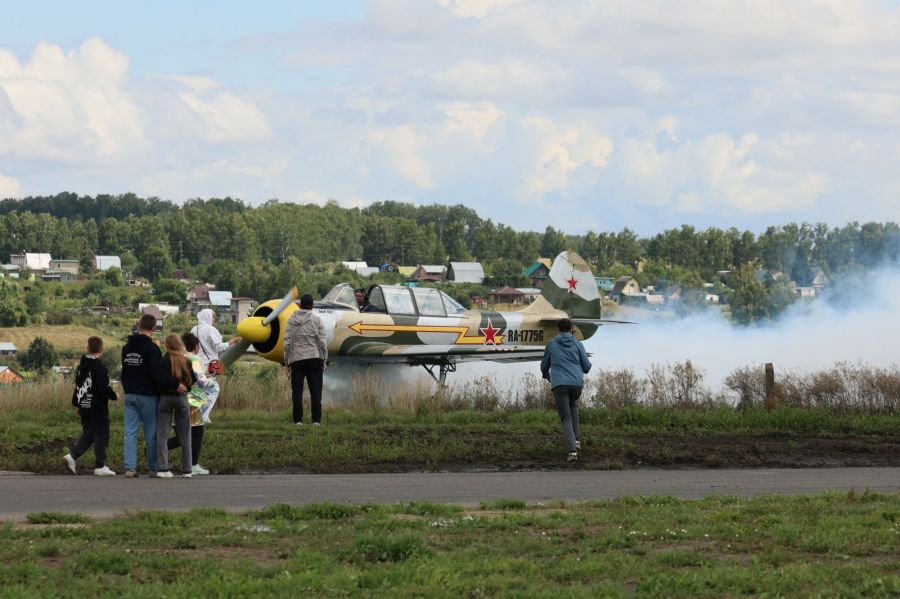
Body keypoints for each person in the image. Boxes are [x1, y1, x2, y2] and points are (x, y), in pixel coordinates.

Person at [121, 314, 186, 478]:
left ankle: (130, 467)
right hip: (147, 395)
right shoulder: (152, 349)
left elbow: (125, 371)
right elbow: (158, 373)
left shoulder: (126, 348)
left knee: (130, 432)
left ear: (139, 325)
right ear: (153, 329)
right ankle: (153, 467)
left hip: (129, 395)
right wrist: (175, 384)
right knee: (151, 433)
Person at [63, 336, 118, 476]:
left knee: (89, 433)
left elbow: (79, 386)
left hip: (84, 405)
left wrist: (79, 404)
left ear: (87, 348)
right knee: (102, 434)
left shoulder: (82, 367)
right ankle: (100, 466)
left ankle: (72, 456)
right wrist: (114, 395)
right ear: (101, 349)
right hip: (97, 407)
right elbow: (102, 388)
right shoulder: (99, 368)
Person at [540, 318, 592, 462]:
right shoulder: (578, 344)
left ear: (558, 329)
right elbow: (587, 367)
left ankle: (572, 451)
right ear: (571, 329)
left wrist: (547, 376)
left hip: (560, 384)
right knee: (573, 406)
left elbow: (544, 365)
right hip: (576, 383)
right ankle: (576, 440)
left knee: (565, 417)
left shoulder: (551, 344)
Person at [168, 333, 214, 475]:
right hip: (193, 401)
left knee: (182, 433)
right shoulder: (195, 359)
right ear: (196, 346)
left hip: (176, 398)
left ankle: (156, 448)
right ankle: (192, 464)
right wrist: (212, 381)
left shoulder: (178, 358)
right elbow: (201, 381)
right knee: (197, 432)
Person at [156, 334, 196, 479]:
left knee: (162, 435)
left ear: (167, 345)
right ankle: (187, 470)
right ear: (179, 344)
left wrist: (172, 385)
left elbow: (159, 379)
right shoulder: (186, 360)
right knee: (185, 435)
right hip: (182, 399)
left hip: (165, 399)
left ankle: (163, 468)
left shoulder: (163, 360)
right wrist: (183, 387)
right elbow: (193, 380)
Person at [190, 308, 241, 423]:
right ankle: (204, 416)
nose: (213, 319)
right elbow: (219, 347)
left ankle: (195, 416)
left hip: (195, 364)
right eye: (212, 317)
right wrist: (233, 341)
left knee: (198, 390)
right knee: (214, 389)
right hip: (209, 365)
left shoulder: (194, 329)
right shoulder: (211, 330)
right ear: (208, 317)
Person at [284, 294, 328, 425]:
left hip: (297, 359)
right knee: (316, 391)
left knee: (297, 392)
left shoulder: (291, 320)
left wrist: (286, 361)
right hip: (314, 358)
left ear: (299, 305)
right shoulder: (317, 320)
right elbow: (323, 342)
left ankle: (298, 420)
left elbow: (287, 343)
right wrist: (324, 360)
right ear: (312, 306)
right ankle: (316, 421)